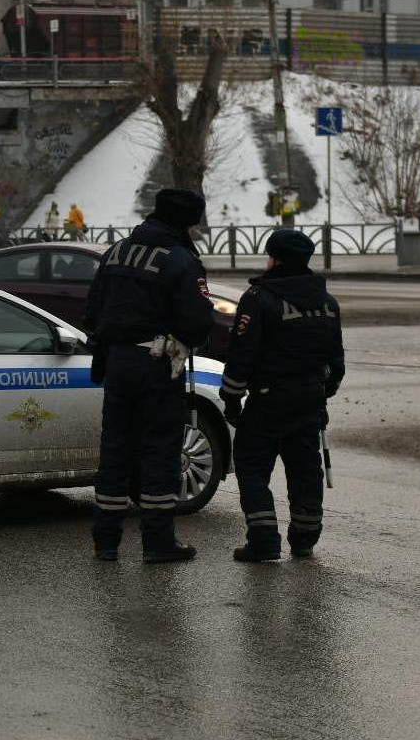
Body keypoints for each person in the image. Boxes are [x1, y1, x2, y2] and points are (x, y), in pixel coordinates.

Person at [84, 188, 216, 564]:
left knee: (115, 450)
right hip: (158, 364)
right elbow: (197, 320)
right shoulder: (179, 260)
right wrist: (186, 339)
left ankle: (105, 540)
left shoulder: (117, 252)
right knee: (159, 450)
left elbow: (92, 309)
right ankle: (158, 542)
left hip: (117, 362)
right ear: (186, 222)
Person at [221, 229, 345, 562]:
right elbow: (336, 363)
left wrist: (231, 399)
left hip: (268, 400)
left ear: (274, 258)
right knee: (306, 470)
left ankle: (263, 539)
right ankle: (304, 538)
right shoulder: (327, 303)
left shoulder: (260, 298)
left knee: (251, 465)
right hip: (309, 400)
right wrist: (322, 396)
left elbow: (241, 356)